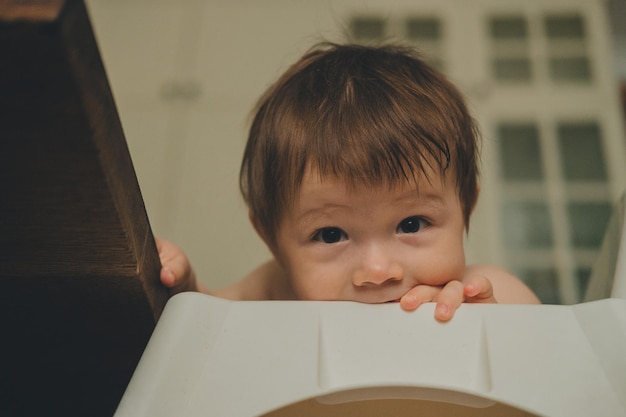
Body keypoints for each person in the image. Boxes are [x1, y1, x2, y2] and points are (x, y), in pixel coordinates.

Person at [158, 42, 540, 321]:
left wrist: (488, 325)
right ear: (271, 239)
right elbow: (214, 325)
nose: (377, 271)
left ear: (466, 207)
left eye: (411, 224)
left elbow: (548, 350)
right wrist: (188, 295)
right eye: (330, 235)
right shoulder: (276, 288)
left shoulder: (486, 291)